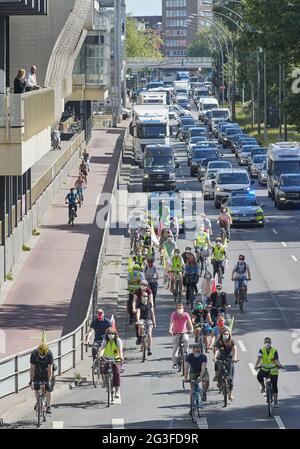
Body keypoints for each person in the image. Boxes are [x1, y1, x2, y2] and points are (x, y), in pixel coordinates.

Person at [255, 337, 283, 408]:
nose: (267, 343)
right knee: (259, 376)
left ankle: (276, 402)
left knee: (274, 386)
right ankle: (263, 387)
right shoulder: (262, 350)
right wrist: (256, 365)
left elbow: (276, 360)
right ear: (264, 343)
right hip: (264, 369)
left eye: (268, 342)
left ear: (271, 343)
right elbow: (258, 358)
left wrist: (279, 365)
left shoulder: (274, 350)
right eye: (266, 342)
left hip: (273, 370)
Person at [99, 327, 124, 399]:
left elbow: (120, 350)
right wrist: (100, 355)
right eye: (109, 333)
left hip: (116, 358)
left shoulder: (118, 340)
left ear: (115, 334)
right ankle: (105, 381)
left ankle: (117, 391)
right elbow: (102, 348)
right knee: (104, 370)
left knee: (116, 373)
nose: (111, 335)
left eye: (112, 333)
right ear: (107, 334)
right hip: (107, 358)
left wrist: (121, 357)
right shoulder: (105, 340)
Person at [30, 344, 54, 414]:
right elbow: (32, 368)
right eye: (41, 354)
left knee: (48, 390)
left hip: (46, 373)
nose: (42, 355)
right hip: (37, 373)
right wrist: (31, 380)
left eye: (44, 354)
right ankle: (38, 402)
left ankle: (49, 406)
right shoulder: (34, 354)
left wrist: (49, 380)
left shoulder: (49, 354)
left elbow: (50, 369)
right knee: (36, 388)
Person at [215, 330, 238, 400]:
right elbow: (216, 350)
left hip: (229, 359)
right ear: (222, 335)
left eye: (227, 334)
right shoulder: (219, 342)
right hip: (221, 358)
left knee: (230, 378)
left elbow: (235, 350)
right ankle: (219, 383)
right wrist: (215, 357)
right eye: (224, 334)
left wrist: (235, 357)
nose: (226, 335)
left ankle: (230, 394)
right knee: (219, 373)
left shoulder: (231, 341)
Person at [169, 304, 193, 369]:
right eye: (178, 308)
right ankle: (175, 363)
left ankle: (185, 351)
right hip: (176, 332)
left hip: (184, 331)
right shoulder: (174, 314)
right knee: (175, 348)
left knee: (186, 339)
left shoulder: (186, 314)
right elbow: (172, 323)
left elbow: (189, 322)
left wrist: (191, 329)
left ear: (183, 309)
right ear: (176, 309)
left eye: (181, 308)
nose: (180, 309)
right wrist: (170, 330)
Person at [136, 291, 156, 356]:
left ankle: (149, 349)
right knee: (141, 326)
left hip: (148, 320)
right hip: (142, 319)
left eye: (146, 296)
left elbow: (152, 313)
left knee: (149, 334)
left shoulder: (149, 304)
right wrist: (138, 320)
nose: (145, 297)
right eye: (144, 296)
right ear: (141, 297)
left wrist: (154, 322)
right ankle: (139, 338)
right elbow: (138, 312)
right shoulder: (139, 304)